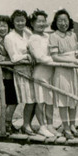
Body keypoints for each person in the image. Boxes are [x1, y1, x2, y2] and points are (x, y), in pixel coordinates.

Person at [49, 9, 78, 139]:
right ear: (55, 22)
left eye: (65, 20)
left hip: (74, 70)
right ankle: (66, 127)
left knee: (73, 99)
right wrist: (73, 60)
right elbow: (55, 57)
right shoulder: (53, 36)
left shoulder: (73, 35)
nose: (63, 23)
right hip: (62, 70)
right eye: (60, 21)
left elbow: (77, 53)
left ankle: (73, 126)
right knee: (63, 99)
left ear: (69, 21)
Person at [4, 10, 36, 135]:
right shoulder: (9, 37)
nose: (20, 23)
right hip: (18, 71)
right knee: (17, 100)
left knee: (32, 100)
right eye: (17, 21)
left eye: (22, 20)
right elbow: (13, 58)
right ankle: (7, 123)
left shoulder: (28, 33)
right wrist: (26, 56)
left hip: (31, 70)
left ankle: (26, 124)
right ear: (13, 22)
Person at [27, 10, 58, 138]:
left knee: (50, 101)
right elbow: (39, 57)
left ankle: (50, 125)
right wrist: (56, 59)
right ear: (33, 23)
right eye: (38, 21)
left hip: (51, 72)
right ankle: (42, 126)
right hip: (40, 73)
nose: (41, 24)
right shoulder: (33, 38)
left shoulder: (48, 36)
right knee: (40, 101)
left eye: (43, 21)